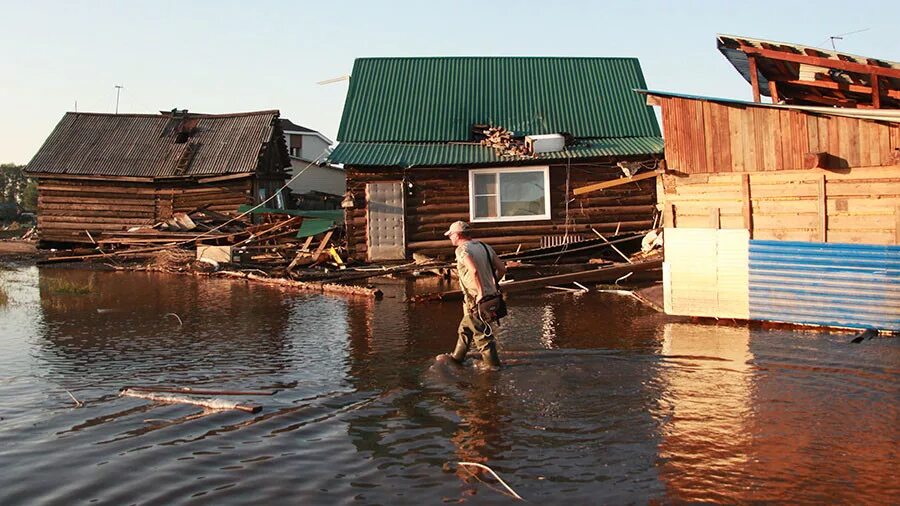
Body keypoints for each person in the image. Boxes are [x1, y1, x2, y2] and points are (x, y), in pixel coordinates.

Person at [439, 220, 506, 369]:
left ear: (458, 235)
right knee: (465, 328)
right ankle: (457, 358)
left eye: (451, 235)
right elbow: (502, 269)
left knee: (483, 337)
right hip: (491, 296)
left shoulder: (462, 250)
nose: (450, 237)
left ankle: (493, 368)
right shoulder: (485, 246)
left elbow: (473, 270)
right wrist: (492, 286)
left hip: (476, 300)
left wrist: (480, 293)